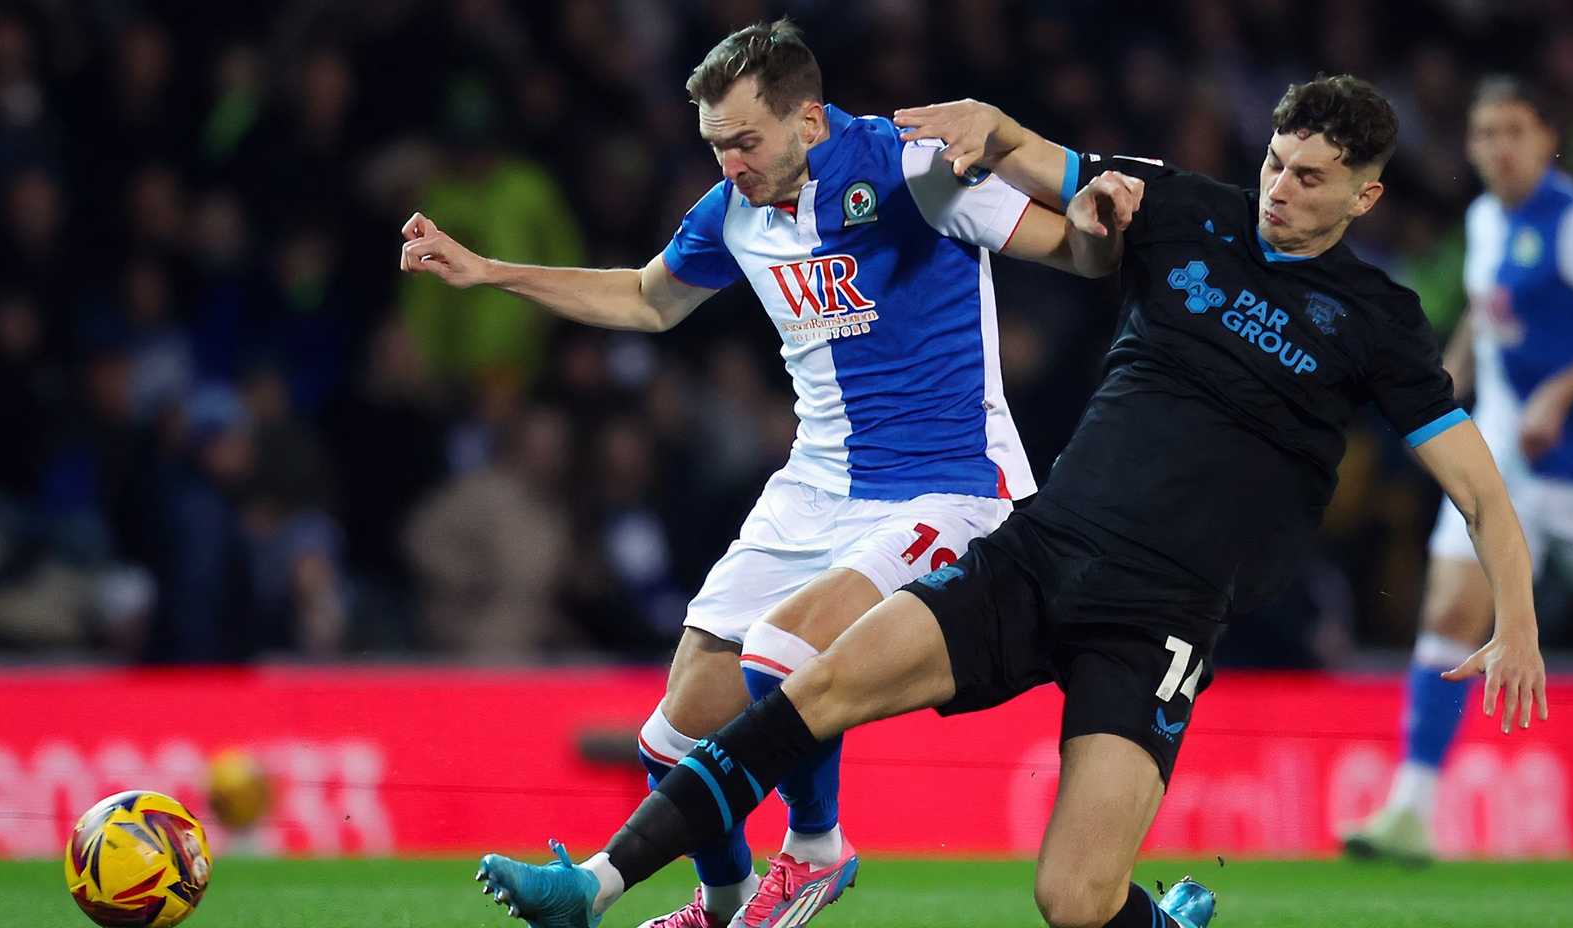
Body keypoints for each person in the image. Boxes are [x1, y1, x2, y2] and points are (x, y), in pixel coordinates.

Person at [470, 74, 1552, 928]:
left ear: (1365, 194)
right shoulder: (1187, 213)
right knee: (808, 683)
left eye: (1312, 178)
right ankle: (602, 887)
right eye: (1275, 162)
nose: (1280, 189)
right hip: (1042, 553)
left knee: (1072, 900)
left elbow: (1480, 489)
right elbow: (1056, 175)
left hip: (1158, 618)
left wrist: (1519, 622)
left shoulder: (1378, 321)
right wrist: (1000, 134)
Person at [401, 19, 1090, 928]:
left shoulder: (912, 166)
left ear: (809, 120)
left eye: (744, 141)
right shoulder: (734, 210)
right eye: (715, 145)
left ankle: (815, 849)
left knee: (780, 655)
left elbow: (1075, 247)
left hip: (949, 486)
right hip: (815, 487)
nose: (730, 164)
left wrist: (1106, 201)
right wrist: (489, 272)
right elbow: (647, 299)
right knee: (672, 736)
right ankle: (719, 904)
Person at [1340, 75, 1573, 864]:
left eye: (1512, 131)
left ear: (1546, 139)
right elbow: (1486, 308)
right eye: (1483, 134)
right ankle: (1411, 809)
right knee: (1449, 611)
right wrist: (1447, 382)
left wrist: (1561, 391)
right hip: (1505, 457)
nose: (1496, 149)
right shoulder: (1483, 220)